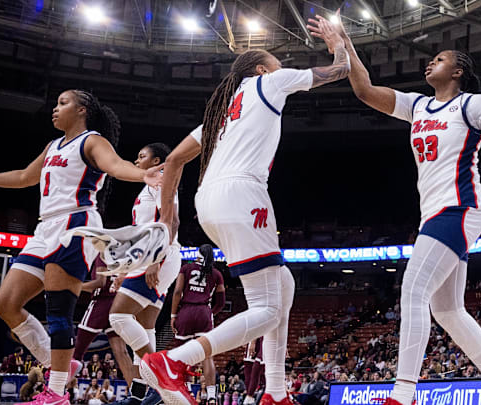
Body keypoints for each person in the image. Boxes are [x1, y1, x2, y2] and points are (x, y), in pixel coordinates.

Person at [307, 10, 481, 405]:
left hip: (460, 208)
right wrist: (343, 43)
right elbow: (364, 90)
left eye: (440, 59)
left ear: (458, 71)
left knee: (412, 290)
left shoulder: (472, 103)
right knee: (447, 309)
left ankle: (403, 395)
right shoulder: (418, 106)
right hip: (436, 214)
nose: (431, 62)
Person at [138, 16, 350, 405]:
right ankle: (175, 360)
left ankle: (275, 393)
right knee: (269, 307)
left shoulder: (221, 114)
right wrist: (338, 42)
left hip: (208, 201)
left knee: (282, 285)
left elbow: (173, 162)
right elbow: (340, 70)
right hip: (243, 194)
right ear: (260, 69)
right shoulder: (269, 82)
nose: (282, 68)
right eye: (276, 62)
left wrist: (168, 216)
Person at [0, 89, 162, 405]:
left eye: (62, 103)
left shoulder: (92, 141)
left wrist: (142, 174)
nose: (55, 109)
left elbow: (115, 165)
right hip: (45, 228)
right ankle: (56, 363)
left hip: (76, 224)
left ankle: (57, 393)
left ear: (82, 109)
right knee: (5, 303)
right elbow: (24, 176)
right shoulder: (53, 146)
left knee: (59, 312)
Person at [108, 142, 180, 405]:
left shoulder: (161, 183)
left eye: (142, 157)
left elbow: (171, 222)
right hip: (148, 256)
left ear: (156, 160)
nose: (136, 161)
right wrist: (124, 270)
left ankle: (163, 380)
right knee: (145, 327)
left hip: (158, 256)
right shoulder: (149, 186)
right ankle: (141, 395)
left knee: (118, 316)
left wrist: (155, 260)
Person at [171, 244, 226, 404]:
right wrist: (210, 313)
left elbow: (177, 292)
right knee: (207, 356)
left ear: (198, 254)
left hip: (186, 312)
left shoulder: (186, 268)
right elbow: (221, 302)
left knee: (183, 355)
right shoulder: (216, 273)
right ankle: (211, 395)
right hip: (204, 313)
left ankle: (186, 389)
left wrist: (174, 315)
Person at [73, 257, 133, 384]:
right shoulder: (121, 254)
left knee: (76, 353)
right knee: (122, 353)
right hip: (118, 302)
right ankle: (138, 395)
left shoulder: (102, 255)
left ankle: (58, 393)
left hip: (102, 302)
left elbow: (100, 283)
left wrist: (75, 287)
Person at [242, 338, 264, 405]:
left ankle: (250, 396)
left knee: (258, 366)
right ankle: (250, 397)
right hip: (254, 335)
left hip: (262, 337)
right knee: (249, 369)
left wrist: (253, 341)